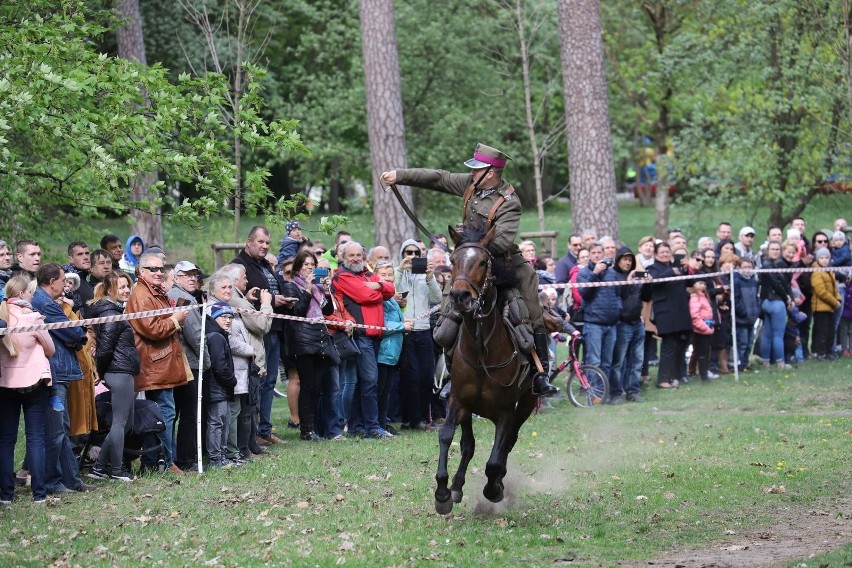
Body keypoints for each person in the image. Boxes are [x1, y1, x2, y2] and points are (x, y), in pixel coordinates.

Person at [380, 142, 556, 396]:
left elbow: (503, 241)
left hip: (503, 263)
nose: (472, 174)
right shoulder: (471, 184)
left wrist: (470, 247)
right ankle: (454, 373)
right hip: (470, 263)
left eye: (477, 170)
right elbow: (440, 178)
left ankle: (540, 374)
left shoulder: (509, 202)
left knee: (530, 310)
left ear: (491, 173)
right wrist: (400, 175)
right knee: (451, 312)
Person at [31, 263, 95, 494]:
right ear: (52, 283)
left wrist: (75, 337)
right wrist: (76, 337)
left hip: (62, 370)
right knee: (56, 430)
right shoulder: (45, 303)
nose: (65, 285)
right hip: (54, 373)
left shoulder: (47, 302)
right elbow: (75, 333)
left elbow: (74, 336)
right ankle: (52, 481)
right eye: (62, 280)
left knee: (62, 428)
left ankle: (71, 479)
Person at [126, 252, 191, 474]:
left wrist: (172, 318)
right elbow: (152, 330)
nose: (158, 273)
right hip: (154, 364)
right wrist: (175, 319)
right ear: (141, 271)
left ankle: (152, 464)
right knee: (165, 414)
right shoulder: (142, 295)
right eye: (152, 269)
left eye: (160, 269)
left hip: (161, 363)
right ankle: (167, 462)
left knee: (157, 416)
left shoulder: (154, 291)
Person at [230, 226, 293, 445]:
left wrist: (281, 299)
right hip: (256, 329)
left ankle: (265, 429)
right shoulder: (239, 265)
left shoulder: (265, 264)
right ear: (249, 242)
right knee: (259, 379)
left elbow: (272, 290)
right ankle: (253, 433)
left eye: (267, 243)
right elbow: (239, 297)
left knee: (271, 381)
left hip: (274, 327)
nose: (265, 246)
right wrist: (272, 302)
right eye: (261, 242)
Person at [331, 240, 395, 438]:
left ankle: (358, 426)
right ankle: (373, 427)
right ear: (343, 257)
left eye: (359, 255)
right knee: (369, 381)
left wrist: (378, 285)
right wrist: (379, 289)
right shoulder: (342, 276)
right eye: (351, 255)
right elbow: (366, 296)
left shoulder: (367, 273)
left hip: (375, 335)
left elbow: (390, 290)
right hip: (361, 335)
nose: (356, 258)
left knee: (363, 382)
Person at [0, 274, 55, 503]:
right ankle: (39, 494)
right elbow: (50, 349)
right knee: (35, 439)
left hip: (5, 384)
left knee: (5, 441)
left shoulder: (2, 318)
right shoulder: (33, 318)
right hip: (34, 385)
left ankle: (5, 495)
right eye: (30, 293)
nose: (32, 297)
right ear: (22, 294)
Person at [87, 272, 138, 482]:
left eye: (127, 286)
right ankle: (116, 470)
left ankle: (99, 468)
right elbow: (105, 348)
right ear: (109, 290)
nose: (126, 290)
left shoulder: (115, 310)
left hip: (121, 370)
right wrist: (101, 370)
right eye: (121, 287)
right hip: (118, 372)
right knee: (120, 423)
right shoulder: (110, 313)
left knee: (125, 424)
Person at [281, 250, 337, 441]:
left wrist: (327, 291)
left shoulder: (318, 288)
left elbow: (328, 311)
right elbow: (297, 312)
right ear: (298, 267)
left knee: (317, 385)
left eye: (313, 265)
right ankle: (306, 430)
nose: (310, 268)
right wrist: (306, 289)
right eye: (306, 265)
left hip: (320, 338)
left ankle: (313, 427)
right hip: (302, 341)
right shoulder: (290, 287)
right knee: (308, 385)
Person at [219, 263, 273, 454]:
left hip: (251, 360)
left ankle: (250, 445)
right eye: (244, 277)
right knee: (246, 408)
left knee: (251, 406)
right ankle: (244, 448)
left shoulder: (238, 299)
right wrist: (266, 302)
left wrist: (246, 298)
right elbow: (262, 324)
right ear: (234, 281)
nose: (247, 280)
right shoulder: (235, 301)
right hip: (245, 361)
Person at [395, 239, 441, 431]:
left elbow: (438, 299)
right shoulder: (397, 273)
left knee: (426, 377)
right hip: (405, 331)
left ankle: (423, 418)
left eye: (416, 253)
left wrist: (430, 277)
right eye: (408, 252)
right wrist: (400, 269)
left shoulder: (425, 277)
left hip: (423, 330)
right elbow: (391, 292)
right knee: (410, 377)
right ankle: (411, 419)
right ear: (402, 254)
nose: (412, 256)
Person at [167, 261, 207, 472]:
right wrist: (207, 363)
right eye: (187, 275)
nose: (192, 278)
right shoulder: (184, 299)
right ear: (176, 277)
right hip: (190, 363)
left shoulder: (174, 294)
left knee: (175, 412)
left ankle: (173, 458)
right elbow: (196, 336)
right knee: (189, 414)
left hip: (177, 363)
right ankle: (186, 460)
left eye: (194, 275)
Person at [642, 243, 695, 389]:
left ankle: (674, 376)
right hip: (665, 312)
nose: (665, 254)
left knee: (679, 345)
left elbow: (690, 283)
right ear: (656, 254)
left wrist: (687, 269)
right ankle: (662, 379)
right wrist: (672, 271)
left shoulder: (677, 267)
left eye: (667, 251)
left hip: (680, 311)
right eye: (662, 252)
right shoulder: (651, 269)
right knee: (668, 345)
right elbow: (654, 281)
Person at [577, 242, 622, 398]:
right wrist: (594, 273)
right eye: (594, 253)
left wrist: (618, 309)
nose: (597, 255)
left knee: (607, 363)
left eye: (599, 252)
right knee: (594, 362)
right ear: (589, 255)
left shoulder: (612, 273)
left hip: (611, 324)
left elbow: (618, 294)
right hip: (594, 323)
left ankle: (604, 395)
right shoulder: (583, 273)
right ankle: (593, 396)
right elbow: (584, 293)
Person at [203, 302, 238, 468]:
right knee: (217, 422)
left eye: (230, 317)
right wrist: (232, 380)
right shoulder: (216, 337)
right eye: (223, 317)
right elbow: (219, 366)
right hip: (216, 387)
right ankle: (216, 458)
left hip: (220, 388)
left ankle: (222, 456)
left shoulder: (219, 335)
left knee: (223, 421)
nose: (228, 320)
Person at [610, 246, 647, 403]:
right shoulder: (613, 275)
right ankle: (617, 392)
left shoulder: (635, 276)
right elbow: (617, 296)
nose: (628, 262)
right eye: (625, 259)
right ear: (618, 260)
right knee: (619, 362)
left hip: (637, 322)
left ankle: (633, 391)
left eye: (630, 259)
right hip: (622, 323)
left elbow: (646, 297)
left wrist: (647, 284)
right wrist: (628, 282)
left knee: (638, 360)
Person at [758, 242, 793, 369]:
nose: (775, 251)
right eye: (773, 249)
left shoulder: (772, 264)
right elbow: (777, 284)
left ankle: (766, 362)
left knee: (767, 333)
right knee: (778, 334)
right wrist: (787, 297)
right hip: (776, 302)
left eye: (778, 249)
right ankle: (780, 362)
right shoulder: (769, 265)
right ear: (768, 250)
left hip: (766, 302)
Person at [811, 248, 841, 360]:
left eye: (826, 258)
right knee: (822, 332)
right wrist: (834, 302)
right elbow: (821, 292)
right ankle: (821, 353)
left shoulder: (830, 271)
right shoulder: (816, 273)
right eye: (821, 258)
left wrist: (838, 299)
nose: (824, 260)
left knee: (831, 331)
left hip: (830, 307)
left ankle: (829, 352)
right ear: (818, 259)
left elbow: (835, 288)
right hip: (821, 308)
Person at [689, 280, 716, 382]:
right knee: (701, 354)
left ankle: (704, 374)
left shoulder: (704, 296)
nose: (703, 286)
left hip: (707, 328)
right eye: (700, 283)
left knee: (705, 352)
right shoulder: (695, 297)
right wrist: (705, 328)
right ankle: (703, 376)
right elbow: (695, 316)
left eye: (704, 284)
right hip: (700, 330)